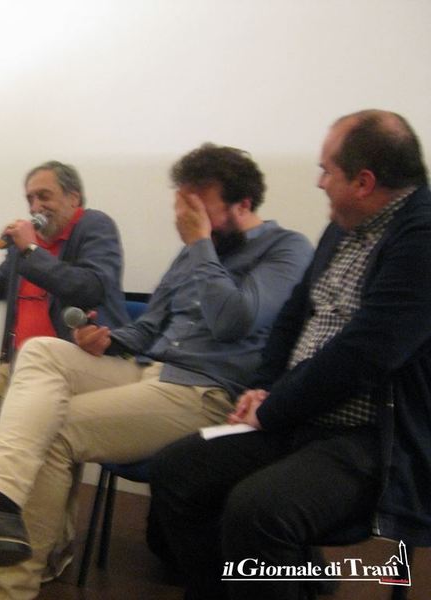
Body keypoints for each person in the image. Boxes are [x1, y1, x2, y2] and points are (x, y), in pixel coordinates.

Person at [0, 144, 314, 599]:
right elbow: (150, 326)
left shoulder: (285, 248)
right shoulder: (194, 252)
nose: (183, 217)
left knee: (55, 431)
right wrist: (111, 339)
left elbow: (233, 320)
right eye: (181, 205)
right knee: (43, 350)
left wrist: (199, 244)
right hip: (149, 369)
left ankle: (7, 589)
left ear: (242, 204)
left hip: (207, 391)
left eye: (196, 207)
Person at [144, 110, 431, 600]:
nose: (319, 182)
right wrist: (263, 387)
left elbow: (366, 354)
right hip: (302, 415)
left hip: (374, 438)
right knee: (176, 470)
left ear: (363, 182)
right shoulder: (344, 225)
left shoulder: (421, 238)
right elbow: (294, 315)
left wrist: (274, 408)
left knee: (258, 511)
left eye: (326, 171)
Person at [0, 160, 128, 506]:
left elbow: (89, 287)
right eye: (30, 199)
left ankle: (32, 530)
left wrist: (31, 250)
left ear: (73, 197)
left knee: (35, 430)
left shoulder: (94, 226)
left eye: (44, 196)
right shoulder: (29, 243)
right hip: (19, 367)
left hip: (72, 370)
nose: (35, 207)